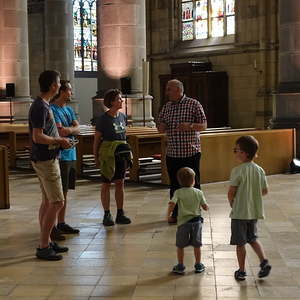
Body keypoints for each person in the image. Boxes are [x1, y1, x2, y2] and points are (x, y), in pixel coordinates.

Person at [29, 70, 72, 260]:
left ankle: (46, 240)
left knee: (47, 202)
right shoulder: (41, 107)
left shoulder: (43, 105)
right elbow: (37, 136)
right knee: (57, 202)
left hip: (45, 157)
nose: (59, 86)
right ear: (53, 86)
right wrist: (58, 140)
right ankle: (44, 246)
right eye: (57, 83)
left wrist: (59, 141)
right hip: (46, 159)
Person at [158, 79, 207, 224]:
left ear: (178, 90)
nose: (167, 92)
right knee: (174, 185)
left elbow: (204, 125)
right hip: (173, 153)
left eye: (169, 89)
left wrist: (190, 126)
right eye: (167, 89)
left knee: (194, 184)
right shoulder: (167, 107)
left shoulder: (194, 104)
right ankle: (176, 213)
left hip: (190, 152)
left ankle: (195, 214)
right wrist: (161, 126)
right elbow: (160, 124)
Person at [228, 135, 272, 281]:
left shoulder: (237, 170)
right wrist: (252, 196)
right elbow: (265, 191)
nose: (234, 152)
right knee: (253, 238)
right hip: (253, 212)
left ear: (244, 153)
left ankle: (241, 271)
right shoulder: (260, 170)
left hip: (240, 213)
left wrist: (232, 203)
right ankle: (264, 261)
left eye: (236, 150)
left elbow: (231, 192)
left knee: (240, 244)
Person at [93, 89, 131, 226]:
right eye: (119, 99)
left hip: (120, 153)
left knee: (120, 183)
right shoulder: (103, 119)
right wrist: (96, 157)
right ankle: (107, 213)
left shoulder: (122, 117)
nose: (121, 101)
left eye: (121, 98)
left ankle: (120, 212)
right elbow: (97, 139)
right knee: (106, 184)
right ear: (112, 102)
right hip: (108, 154)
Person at [50, 80, 80, 240]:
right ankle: (52, 225)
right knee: (57, 194)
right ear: (61, 91)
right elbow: (60, 132)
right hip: (61, 155)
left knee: (66, 192)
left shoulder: (68, 109)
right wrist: (70, 130)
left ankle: (61, 222)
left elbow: (78, 127)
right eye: (69, 90)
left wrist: (70, 129)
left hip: (71, 154)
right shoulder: (52, 109)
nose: (71, 93)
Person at [167, 167, 208, 274]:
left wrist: (169, 214)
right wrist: (206, 207)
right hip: (196, 222)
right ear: (194, 180)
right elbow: (204, 206)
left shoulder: (178, 192)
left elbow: (172, 204)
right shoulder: (198, 192)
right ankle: (198, 264)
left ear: (179, 181)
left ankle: (180, 265)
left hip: (183, 223)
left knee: (180, 245)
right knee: (197, 245)